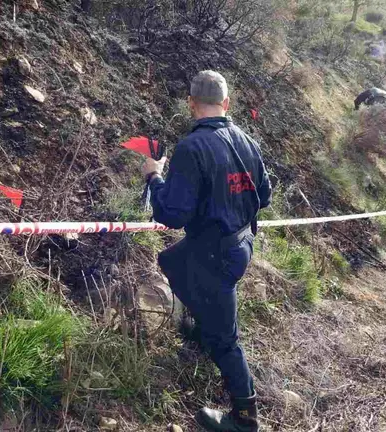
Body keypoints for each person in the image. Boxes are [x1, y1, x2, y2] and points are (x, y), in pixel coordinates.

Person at [142, 70, 272, 432]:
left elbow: (172, 214)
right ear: (226, 103)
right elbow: (264, 196)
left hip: (215, 255)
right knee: (172, 260)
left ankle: (245, 419)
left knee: (226, 341)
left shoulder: (191, 147)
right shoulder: (248, 141)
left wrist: (154, 177)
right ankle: (205, 326)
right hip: (241, 244)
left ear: (191, 103)